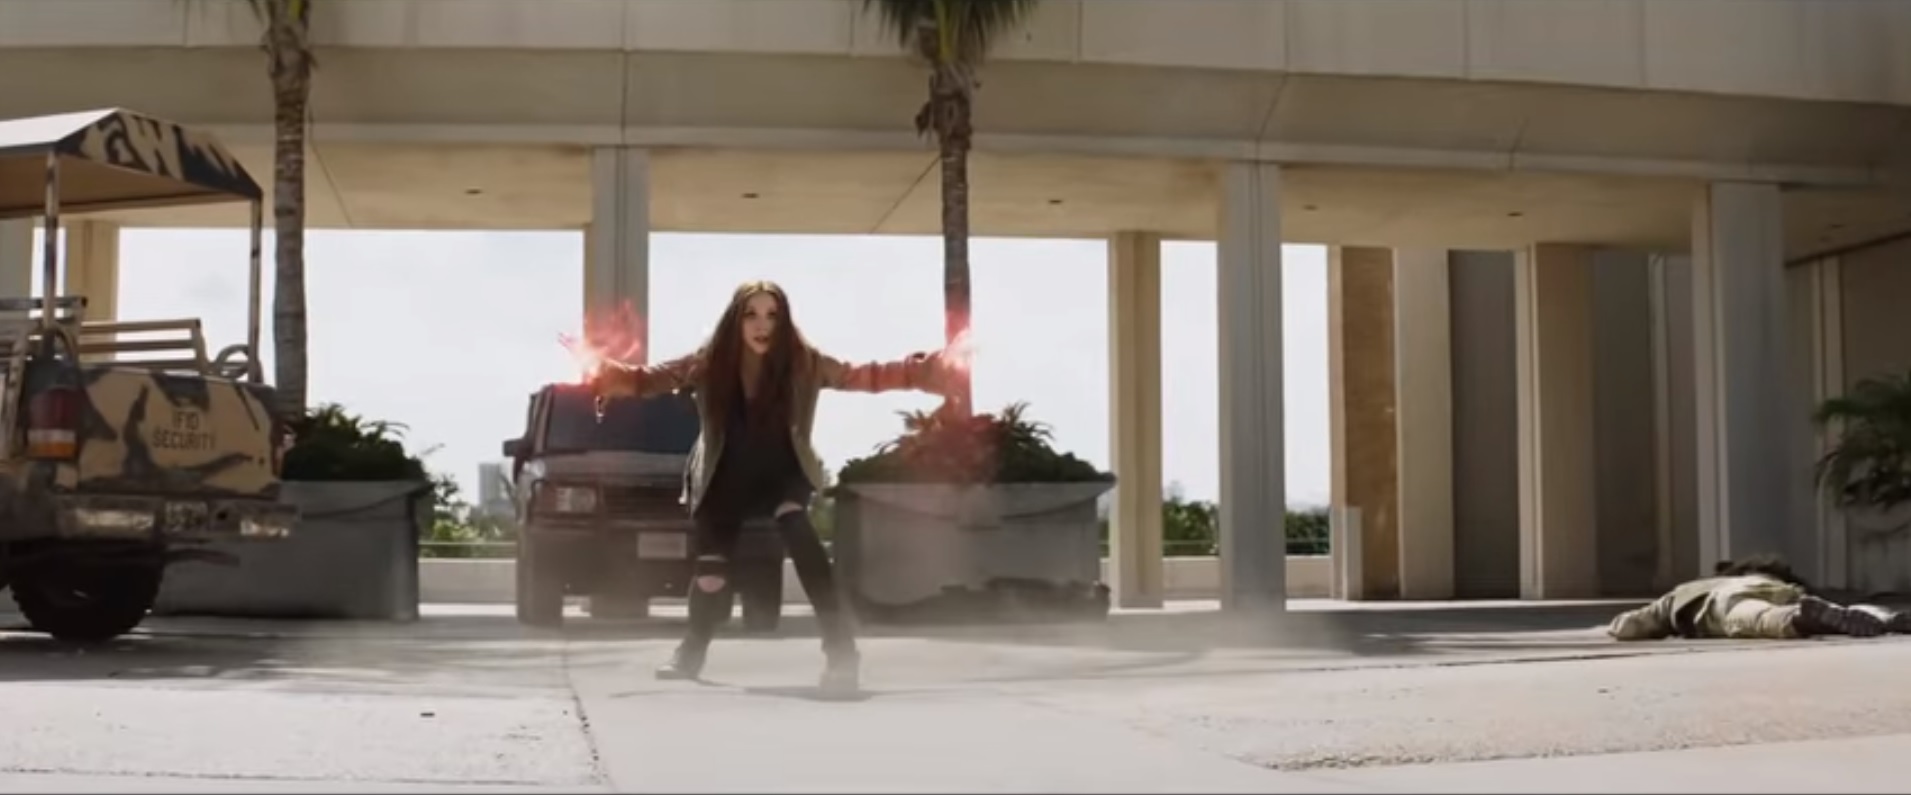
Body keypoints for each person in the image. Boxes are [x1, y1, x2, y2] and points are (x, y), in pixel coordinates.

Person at [586, 280, 957, 696]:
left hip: (781, 471)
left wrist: (920, 370)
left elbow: (861, 375)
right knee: (711, 574)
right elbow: (650, 379)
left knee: (800, 534)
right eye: (751, 315)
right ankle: (691, 650)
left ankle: (841, 651)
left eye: (772, 316)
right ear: (736, 321)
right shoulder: (709, 362)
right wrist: (608, 376)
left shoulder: (804, 362)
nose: (762, 325)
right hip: (723, 475)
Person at [1607, 554, 1911, 641]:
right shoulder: (1774, 580)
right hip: (1786, 592)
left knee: (1757, 617)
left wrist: (1617, 626)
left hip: (1726, 600)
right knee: (1839, 609)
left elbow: (1631, 626)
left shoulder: (1691, 590)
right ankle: (1885, 617)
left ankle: (1797, 619)